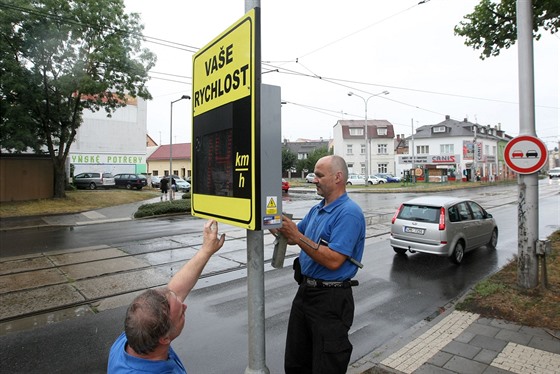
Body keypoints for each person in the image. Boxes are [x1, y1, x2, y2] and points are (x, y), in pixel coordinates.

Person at [273, 155, 366, 374]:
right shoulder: (318, 209)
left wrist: (297, 237)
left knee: (326, 367)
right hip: (305, 294)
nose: (314, 179)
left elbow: (334, 260)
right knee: (296, 363)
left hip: (330, 301)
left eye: (319, 175)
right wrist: (272, 222)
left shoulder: (349, 213)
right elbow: (294, 233)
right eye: (314, 174)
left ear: (338, 177)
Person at [107, 219, 226, 373]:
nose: (185, 306)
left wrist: (206, 250)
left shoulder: (131, 339)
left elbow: (175, 291)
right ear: (164, 339)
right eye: (181, 314)